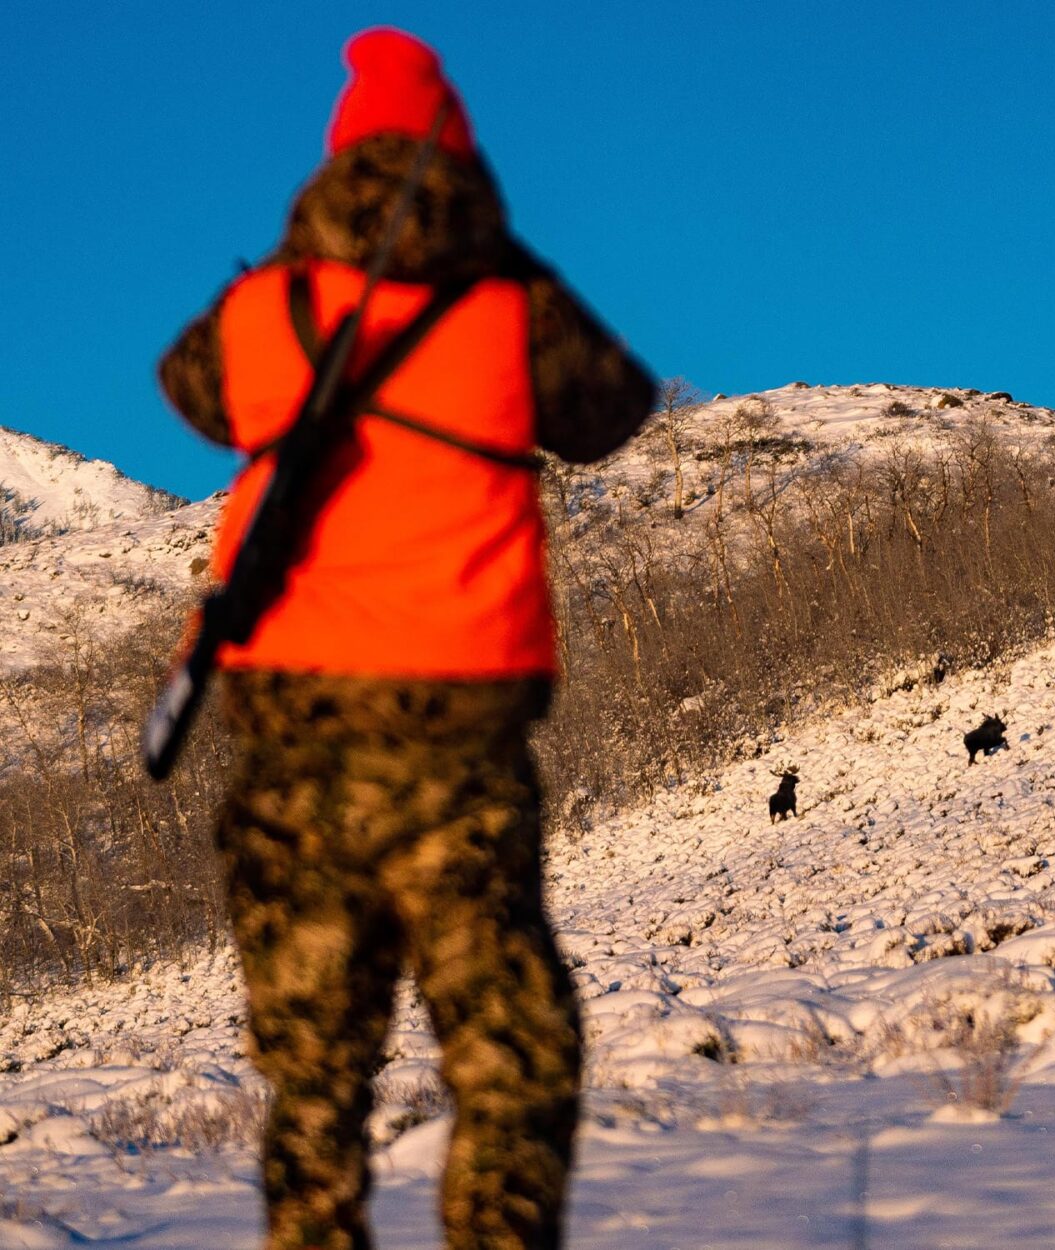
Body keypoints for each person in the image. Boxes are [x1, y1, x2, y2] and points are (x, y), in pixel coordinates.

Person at [157, 27, 655, 1250]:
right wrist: (500, 258)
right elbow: (613, 408)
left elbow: (191, 388)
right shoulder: (512, 304)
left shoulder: (265, 309)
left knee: (314, 1079)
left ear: (331, 168)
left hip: (293, 751)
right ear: (464, 164)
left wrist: (298, 263)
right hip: (461, 755)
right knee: (511, 1055)